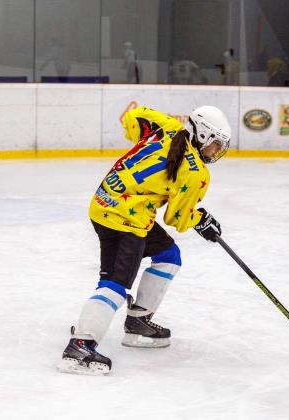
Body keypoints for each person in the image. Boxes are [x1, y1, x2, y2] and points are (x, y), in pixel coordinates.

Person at [58, 105, 231, 375]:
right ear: (202, 135)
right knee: (115, 283)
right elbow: (177, 217)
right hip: (125, 219)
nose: (217, 151)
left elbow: (133, 117)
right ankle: (81, 344)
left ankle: (138, 321)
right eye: (215, 144)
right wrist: (202, 220)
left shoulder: (168, 126)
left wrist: (137, 133)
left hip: (104, 203)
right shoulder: (196, 173)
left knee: (168, 255)